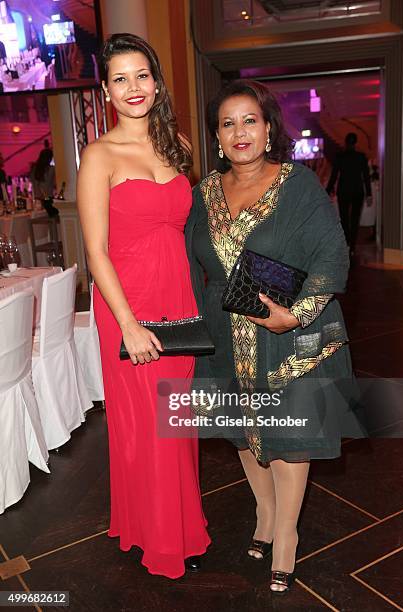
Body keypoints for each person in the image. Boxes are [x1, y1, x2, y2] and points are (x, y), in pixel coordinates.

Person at [186, 80, 363, 594]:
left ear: (267, 130)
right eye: (227, 123)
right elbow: (186, 257)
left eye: (249, 120)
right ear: (218, 137)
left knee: (288, 436)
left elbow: (333, 256)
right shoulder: (204, 195)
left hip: (288, 334)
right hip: (226, 331)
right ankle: (264, 514)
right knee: (243, 432)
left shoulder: (299, 185)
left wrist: (297, 315)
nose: (239, 132)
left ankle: (286, 534)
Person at [77, 33, 210, 580]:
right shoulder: (100, 154)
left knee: (177, 422)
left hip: (177, 296)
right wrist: (128, 324)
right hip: (126, 305)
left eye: (142, 76)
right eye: (120, 79)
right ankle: (164, 541)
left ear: (156, 82)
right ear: (107, 90)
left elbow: (192, 229)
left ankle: (167, 525)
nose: (133, 88)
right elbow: (94, 251)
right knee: (150, 427)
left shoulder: (177, 144)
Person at [326, 132, 372, 254]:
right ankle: (352, 246)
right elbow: (366, 176)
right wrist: (369, 194)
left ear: (345, 143)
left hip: (344, 190)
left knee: (344, 219)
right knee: (355, 219)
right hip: (358, 190)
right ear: (355, 143)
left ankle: (347, 243)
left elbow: (334, 176)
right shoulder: (361, 157)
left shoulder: (340, 157)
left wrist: (327, 191)